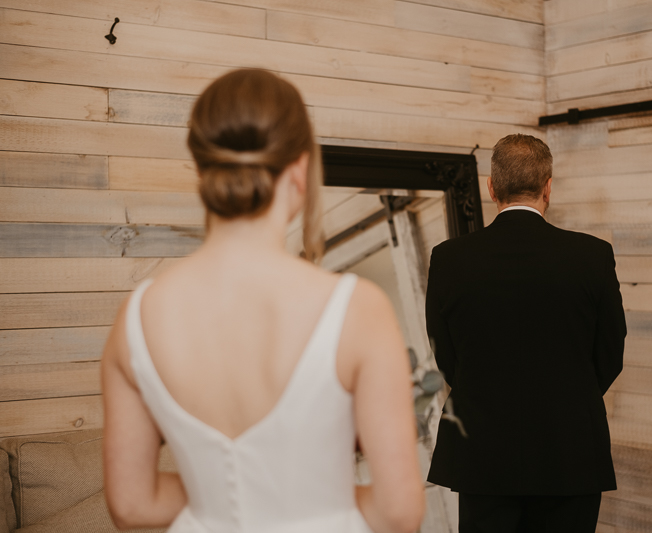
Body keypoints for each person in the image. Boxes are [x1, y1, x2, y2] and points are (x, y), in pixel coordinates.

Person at [101, 69, 424, 533]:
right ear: (299, 169)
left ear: (202, 170)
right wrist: (305, 496)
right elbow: (399, 512)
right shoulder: (357, 309)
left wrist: (227, 497)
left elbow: (132, 506)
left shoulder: (136, 318)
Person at [425, 134, 626, 532]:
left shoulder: (449, 259)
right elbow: (609, 355)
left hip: (482, 455)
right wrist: (569, 398)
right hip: (570, 453)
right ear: (548, 187)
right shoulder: (592, 256)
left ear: (491, 187)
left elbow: (446, 356)